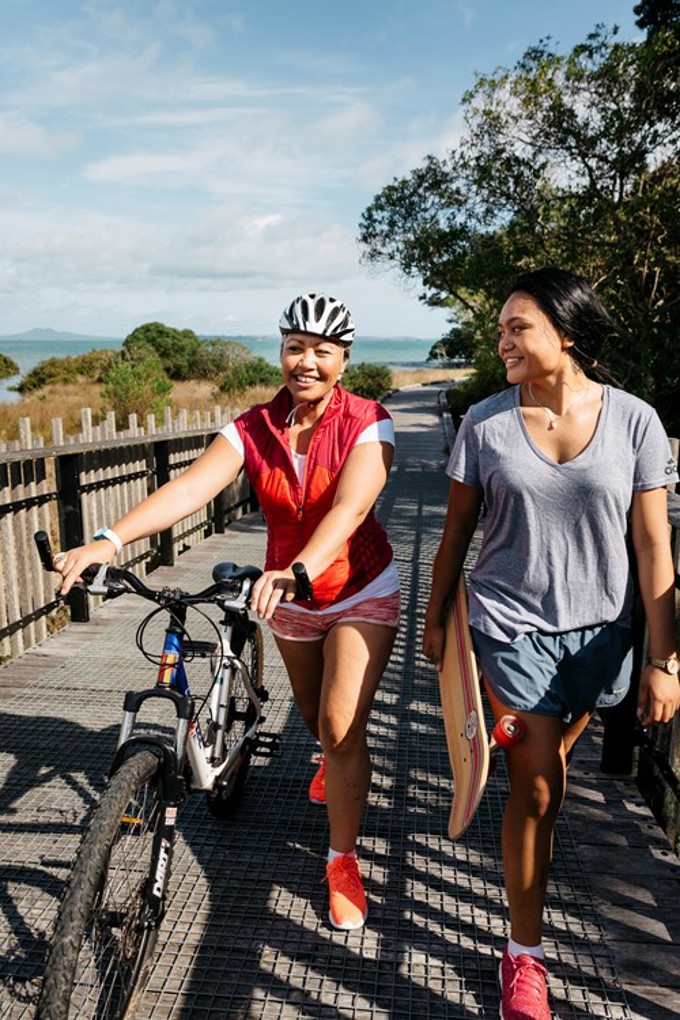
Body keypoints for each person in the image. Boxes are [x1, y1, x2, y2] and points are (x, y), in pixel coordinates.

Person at [54, 293, 400, 931]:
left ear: (344, 361)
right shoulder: (254, 426)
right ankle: (330, 760)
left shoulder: (368, 421)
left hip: (357, 588)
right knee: (312, 717)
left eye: (323, 351)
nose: (307, 361)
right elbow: (190, 486)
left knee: (339, 725)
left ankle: (341, 858)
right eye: (295, 347)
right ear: (282, 352)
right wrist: (108, 539)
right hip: (285, 596)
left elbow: (351, 508)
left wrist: (299, 569)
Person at [422, 268, 679, 1020]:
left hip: (603, 634)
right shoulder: (485, 424)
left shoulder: (635, 422)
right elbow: (456, 534)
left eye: (517, 328)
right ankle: (524, 956)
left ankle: (527, 837)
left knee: (550, 772)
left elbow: (654, 547)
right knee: (536, 786)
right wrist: (436, 619)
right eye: (499, 329)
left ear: (566, 334)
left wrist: (663, 661)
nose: (501, 341)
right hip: (508, 625)